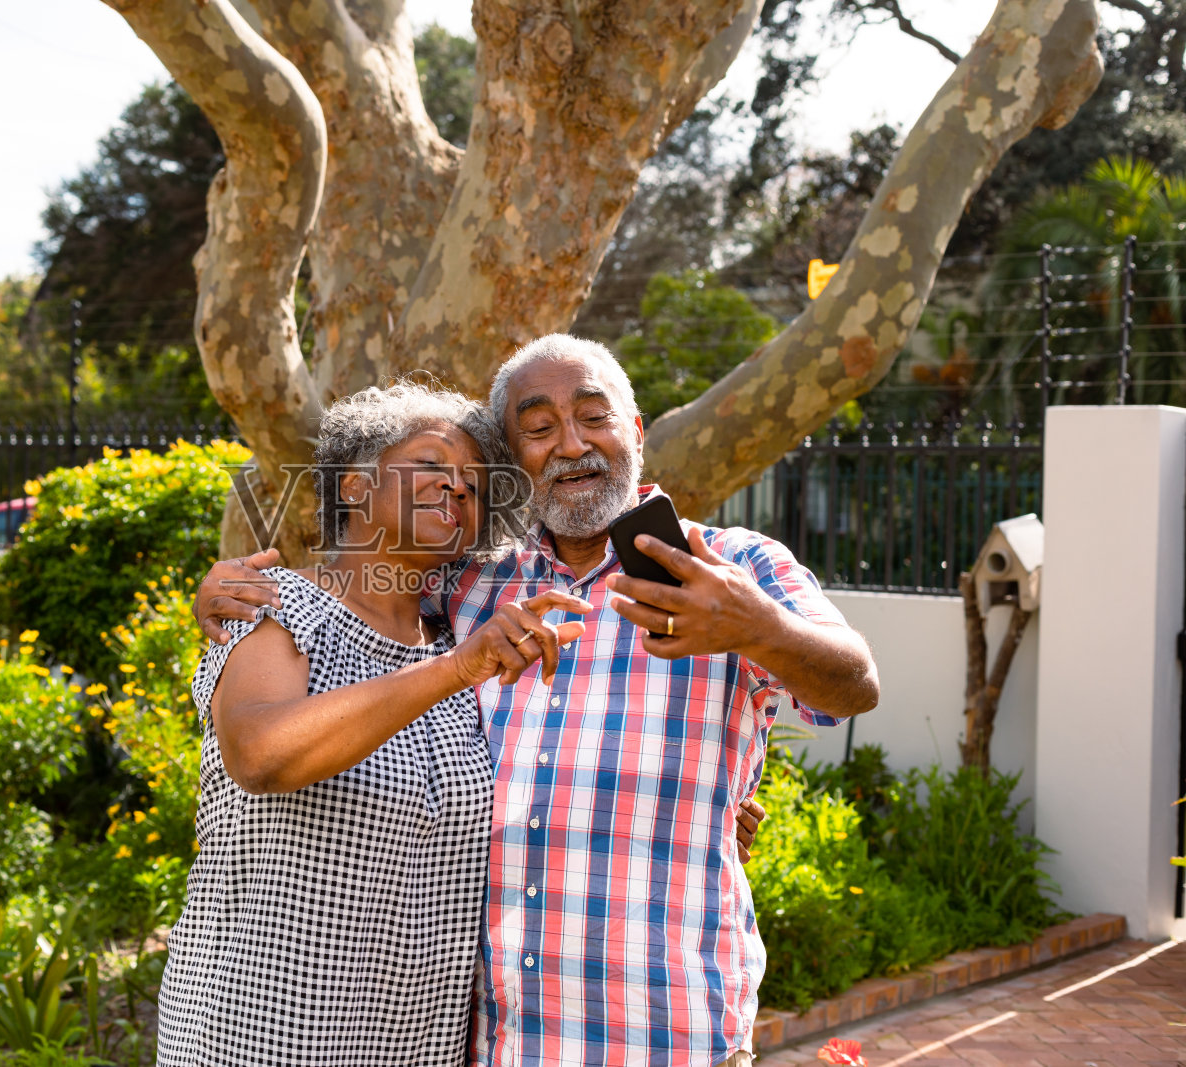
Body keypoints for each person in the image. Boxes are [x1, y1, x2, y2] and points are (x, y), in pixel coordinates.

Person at [196, 335, 880, 1066]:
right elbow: (357, 595)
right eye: (539, 427)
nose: (572, 443)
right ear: (516, 464)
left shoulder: (734, 566)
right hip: (493, 1041)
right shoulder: (467, 588)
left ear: (636, 432)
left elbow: (855, 686)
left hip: (666, 1034)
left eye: (594, 415)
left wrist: (760, 627)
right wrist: (233, 595)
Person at [156, 382, 594, 1067]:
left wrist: (719, 808)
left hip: (415, 1044)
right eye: (432, 466)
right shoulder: (279, 607)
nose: (456, 489)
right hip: (262, 1034)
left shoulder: (458, 640)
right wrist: (456, 669)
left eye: (473, 487)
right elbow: (261, 753)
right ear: (357, 488)